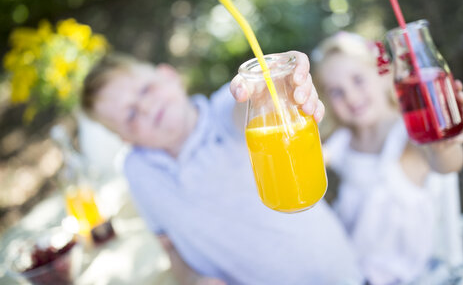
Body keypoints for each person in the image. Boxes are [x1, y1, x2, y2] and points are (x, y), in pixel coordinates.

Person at [81, 52, 363, 285]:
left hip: (331, 275)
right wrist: (193, 279)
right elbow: (169, 246)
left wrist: (272, 86)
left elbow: (250, 104)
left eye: (146, 89)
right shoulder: (137, 171)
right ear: (124, 138)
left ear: (169, 75)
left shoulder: (224, 113)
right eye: (130, 115)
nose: (145, 107)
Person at [312, 31, 463, 285]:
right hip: (352, 268)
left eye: (358, 80)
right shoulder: (343, 142)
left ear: (384, 74)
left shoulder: (409, 133)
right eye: (336, 92)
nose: (351, 96)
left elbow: (447, 164)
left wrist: (443, 144)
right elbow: (312, 164)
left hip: (407, 275)